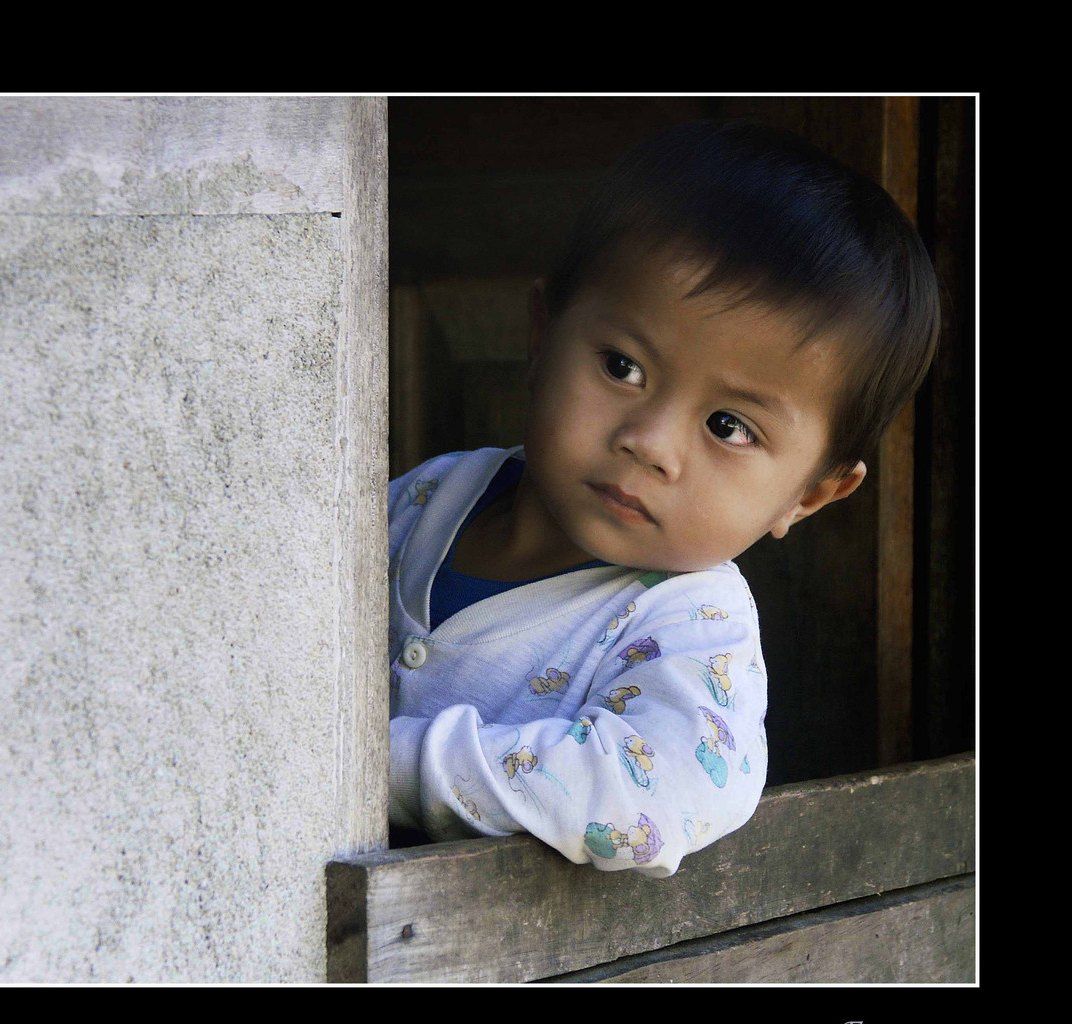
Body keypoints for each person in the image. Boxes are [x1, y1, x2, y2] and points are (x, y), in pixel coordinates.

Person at [387, 119, 940, 876]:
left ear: (809, 497)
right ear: (541, 336)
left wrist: (376, 765)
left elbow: (647, 799)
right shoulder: (427, 495)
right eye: (621, 366)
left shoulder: (692, 625)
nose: (649, 441)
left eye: (727, 426)